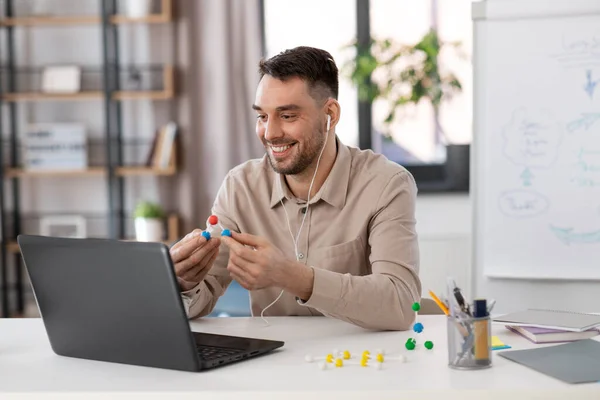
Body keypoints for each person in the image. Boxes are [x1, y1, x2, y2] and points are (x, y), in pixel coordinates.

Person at [169, 46, 421, 331]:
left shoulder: (386, 184)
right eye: (262, 117)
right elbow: (204, 291)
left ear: (330, 114)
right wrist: (183, 282)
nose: (270, 133)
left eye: (287, 116)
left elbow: (400, 304)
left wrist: (290, 275)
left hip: (360, 363)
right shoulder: (240, 187)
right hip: (273, 363)